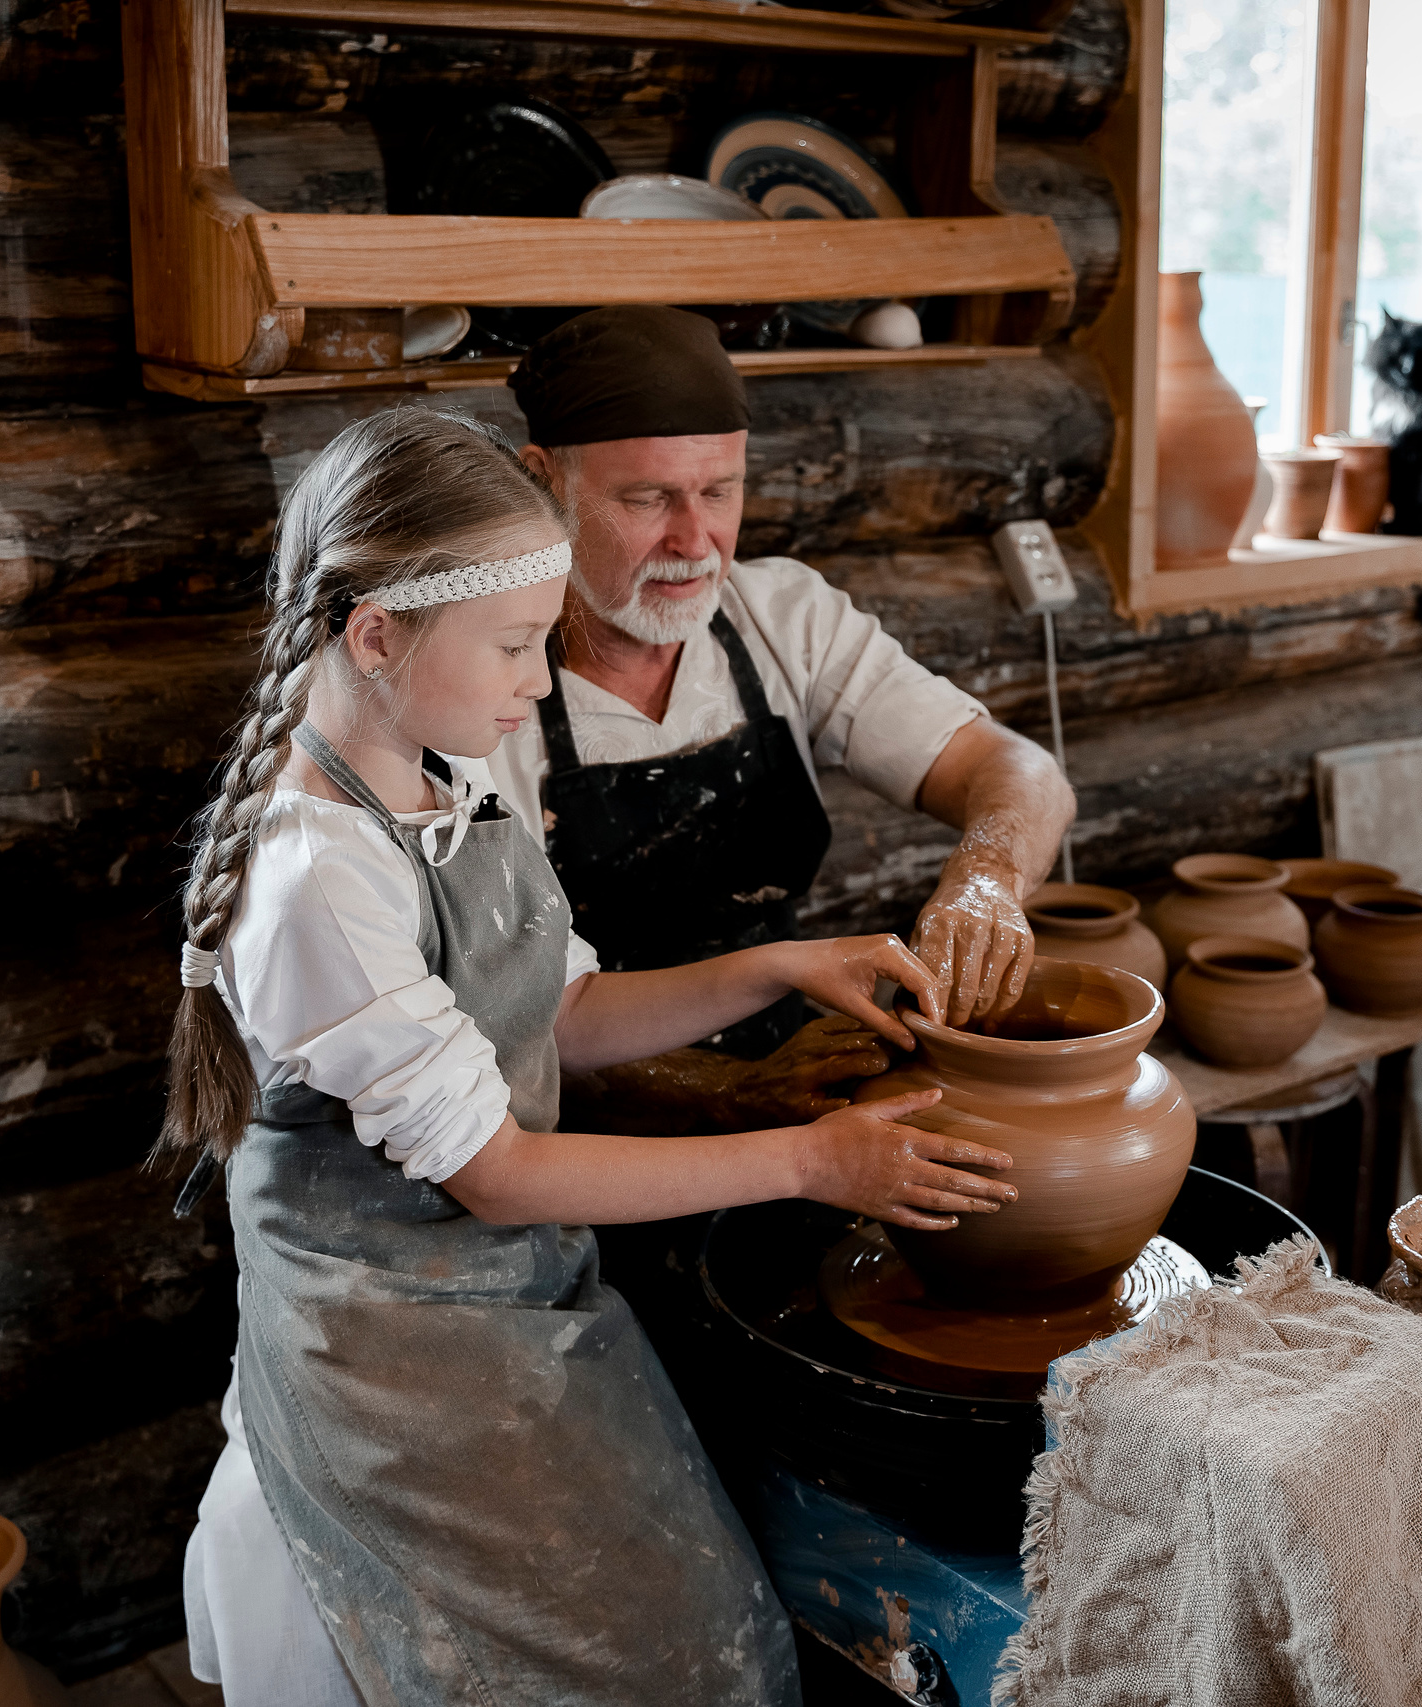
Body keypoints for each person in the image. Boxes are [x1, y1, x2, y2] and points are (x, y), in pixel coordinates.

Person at [167, 410, 1018, 1706]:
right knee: (639, 1663)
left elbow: (561, 1012)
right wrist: (812, 1157)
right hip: (388, 1341)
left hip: (507, 1291)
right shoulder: (314, 876)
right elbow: (499, 1169)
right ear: (376, 632)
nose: (541, 679)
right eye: (518, 644)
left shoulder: (436, 774)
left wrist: (780, 966)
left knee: (705, 1636)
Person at [485, 305, 1078, 1132]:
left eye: (719, 491)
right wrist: (723, 1093)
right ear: (544, 481)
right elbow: (501, 1028)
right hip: (586, 1136)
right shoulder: (481, 681)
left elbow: (1019, 770)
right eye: (649, 497)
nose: (695, 541)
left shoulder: (783, 616)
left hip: (799, 1082)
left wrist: (988, 877)